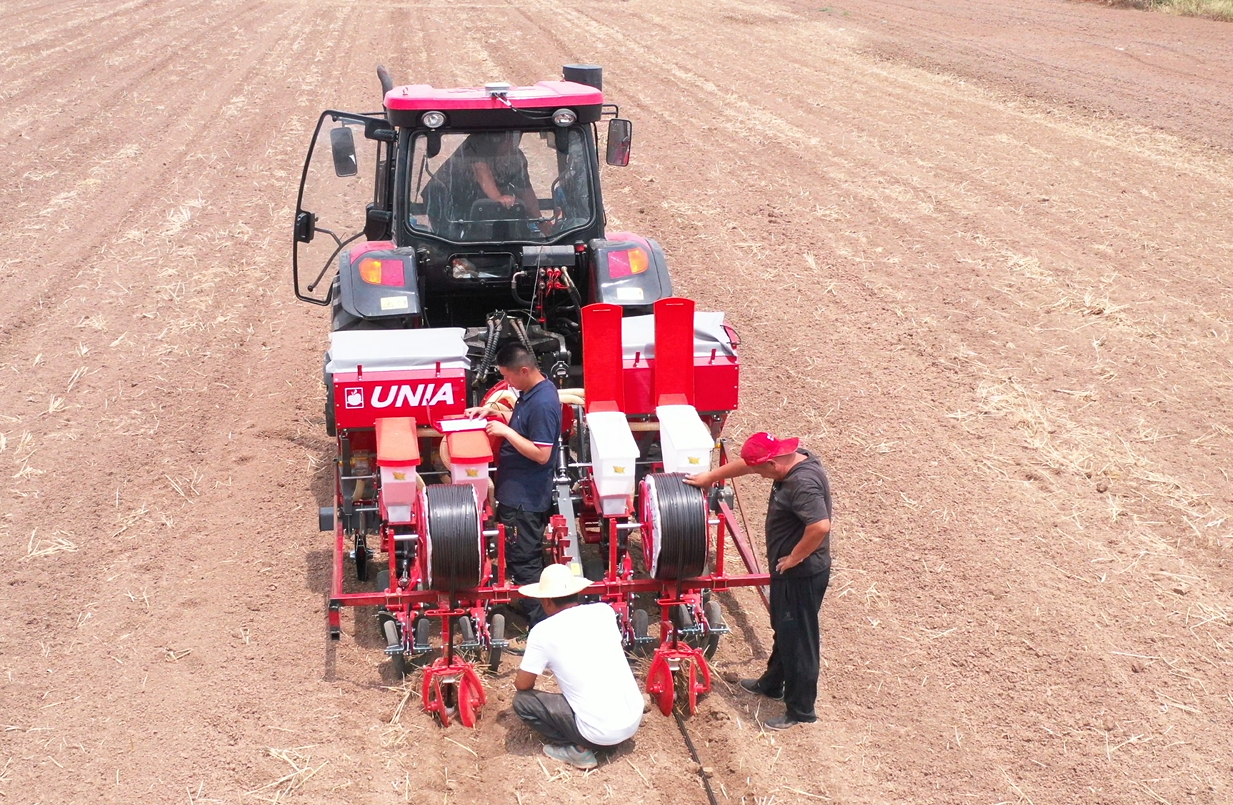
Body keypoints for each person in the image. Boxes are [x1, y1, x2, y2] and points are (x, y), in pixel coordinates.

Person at [685, 431, 833, 730]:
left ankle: (801, 710)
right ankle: (771, 683)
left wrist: (794, 558)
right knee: (784, 627)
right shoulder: (791, 458)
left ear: (773, 465)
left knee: (800, 639)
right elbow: (748, 464)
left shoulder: (801, 483)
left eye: (760, 470)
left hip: (801, 574)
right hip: (788, 571)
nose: (756, 473)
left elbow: (819, 526)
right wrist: (710, 477)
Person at [512, 563, 644, 770]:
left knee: (523, 703)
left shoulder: (542, 632)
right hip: (632, 720)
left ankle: (578, 749)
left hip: (600, 734)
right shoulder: (604, 611)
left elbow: (522, 684)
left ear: (546, 601)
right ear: (577, 593)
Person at [465, 343, 560, 627]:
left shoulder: (543, 403)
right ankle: (535, 607)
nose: (507, 383)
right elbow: (525, 427)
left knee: (524, 558)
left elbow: (542, 454)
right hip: (518, 492)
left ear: (524, 370)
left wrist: (505, 431)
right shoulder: (534, 393)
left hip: (525, 498)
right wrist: (495, 415)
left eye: (509, 377)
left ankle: (541, 623)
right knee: (522, 553)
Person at [423, 131, 541, 236]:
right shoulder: (477, 144)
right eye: (510, 136)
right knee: (453, 241)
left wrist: (542, 221)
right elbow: (481, 172)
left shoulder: (516, 158)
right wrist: (498, 197)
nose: (513, 140)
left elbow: (525, 190)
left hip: (472, 199)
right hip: (442, 198)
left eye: (516, 136)